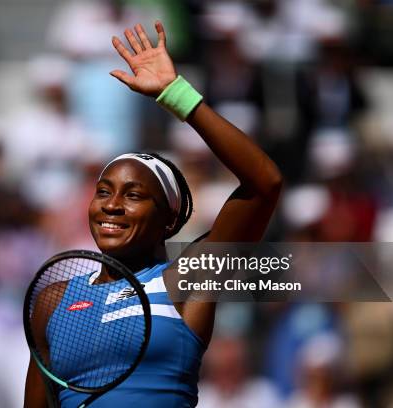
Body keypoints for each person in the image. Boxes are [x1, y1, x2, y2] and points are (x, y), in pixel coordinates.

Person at [24, 21, 282, 407]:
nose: (111, 204)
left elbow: (265, 183)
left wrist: (177, 96)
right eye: (104, 192)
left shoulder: (188, 278)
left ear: (169, 220)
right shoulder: (51, 301)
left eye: (133, 194)